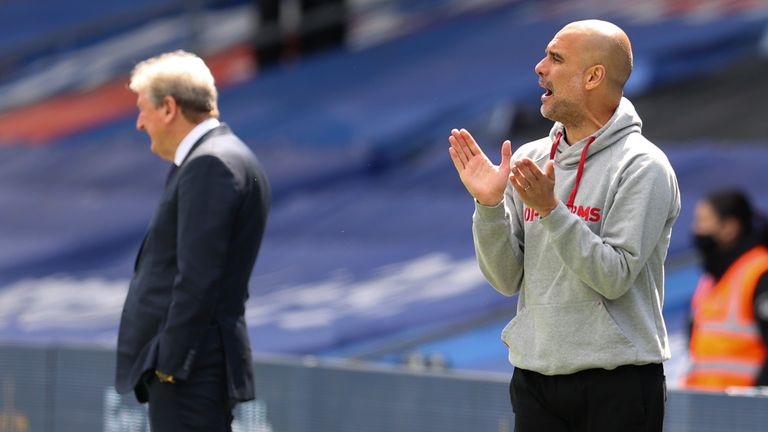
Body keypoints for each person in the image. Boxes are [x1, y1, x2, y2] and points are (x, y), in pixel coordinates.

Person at [448, 20, 680, 431]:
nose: (540, 68)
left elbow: (614, 277)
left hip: (619, 381)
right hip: (535, 378)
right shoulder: (531, 158)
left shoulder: (643, 166)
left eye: (555, 58)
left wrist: (552, 211)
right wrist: (487, 206)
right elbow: (506, 279)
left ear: (594, 76)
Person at [114, 50, 271, 431]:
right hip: (196, 368)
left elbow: (198, 277)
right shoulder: (223, 155)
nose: (139, 123)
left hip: (190, 371)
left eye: (143, 109)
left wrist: (170, 365)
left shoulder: (210, 163)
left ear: (169, 108)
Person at [685, 189, 768, 391]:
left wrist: (756, 399)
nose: (696, 229)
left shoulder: (760, 272)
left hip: (748, 412)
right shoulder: (711, 278)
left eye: (703, 222)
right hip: (708, 406)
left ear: (729, 227)